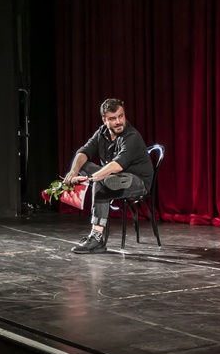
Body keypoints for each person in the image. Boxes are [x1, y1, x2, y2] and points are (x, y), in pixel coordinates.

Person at [62, 98, 154, 254]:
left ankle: (97, 237)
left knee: (103, 181)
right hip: (113, 178)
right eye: (113, 118)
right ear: (104, 120)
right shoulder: (102, 132)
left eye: (121, 116)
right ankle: (96, 238)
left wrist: (90, 179)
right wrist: (73, 171)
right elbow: (83, 152)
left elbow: (116, 166)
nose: (118, 122)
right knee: (87, 167)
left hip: (137, 181)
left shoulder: (131, 136)